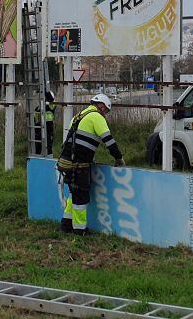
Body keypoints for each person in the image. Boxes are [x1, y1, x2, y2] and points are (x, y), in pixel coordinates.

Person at [56, 93, 124, 235]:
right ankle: (80, 230)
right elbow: (109, 141)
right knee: (80, 197)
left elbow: (78, 141)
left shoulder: (78, 116)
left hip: (67, 162)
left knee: (73, 194)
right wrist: (118, 158)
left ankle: (66, 225)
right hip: (79, 166)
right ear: (101, 106)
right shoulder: (96, 117)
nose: (105, 114)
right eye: (105, 110)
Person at [32, 90, 57, 156]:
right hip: (38, 127)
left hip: (48, 126)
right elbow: (35, 119)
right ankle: (37, 159)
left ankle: (49, 159)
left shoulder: (51, 105)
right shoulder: (37, 108)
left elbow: (50, 99)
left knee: (48, 145)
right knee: (37, 146)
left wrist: (45, 89)